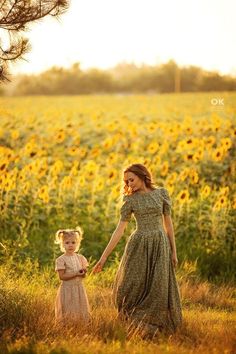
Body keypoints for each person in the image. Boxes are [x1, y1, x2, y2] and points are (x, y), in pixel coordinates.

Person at [93, 163, 182, 337]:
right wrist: (103, 258)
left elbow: (168, 225)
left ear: (142, 176)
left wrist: (174, 251)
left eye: (131, 180)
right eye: (126, 182)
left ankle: (155, 326)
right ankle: (132, 324)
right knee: (130, 285)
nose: (129, 184)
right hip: (139, 244)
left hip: (159, 244)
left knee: (158, 286)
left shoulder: (161, 194)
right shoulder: (130, 200)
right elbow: (119, 230)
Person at [54, 227, 91, 325]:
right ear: (62, 245)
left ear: (77, 244)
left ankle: (80, 325)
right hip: (67, 289)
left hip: (79, 287)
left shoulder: (80, 258)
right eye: (67, 243)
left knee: (79, 307)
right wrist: (75, 274)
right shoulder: (61, 260)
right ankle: (68, 326)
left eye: (73, 242)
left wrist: (83, 272)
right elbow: (62, 276)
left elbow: (83, 275)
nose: (70, 245)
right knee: (69, 308)